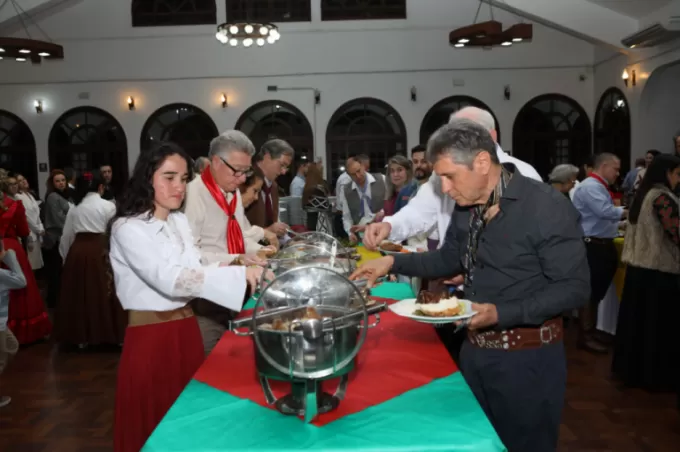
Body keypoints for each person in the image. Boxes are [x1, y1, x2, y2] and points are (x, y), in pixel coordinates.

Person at [350, 119, 589, 451]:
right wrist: (391, 262)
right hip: (474, 353)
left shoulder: (545, 206)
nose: (446, 189)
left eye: (450, 176)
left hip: (526, 362)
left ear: (481, 162)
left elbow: (574, 288)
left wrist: (500, 313)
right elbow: (450, 258)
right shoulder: (468, 205)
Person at [109, 142, 270, 452]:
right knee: (156, 422)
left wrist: (241, 265)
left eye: (183, 179)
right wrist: (239, 276)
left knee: (191, 420)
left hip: (186, 329)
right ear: (147, 177)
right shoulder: (128, 228)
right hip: (152, 335)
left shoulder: (178, 222)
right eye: (169, 177)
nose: (179, 187)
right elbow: (171, 280)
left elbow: (196, 267)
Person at [184, 131, 272, 355]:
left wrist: (263, 250)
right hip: (206, 298)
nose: (242, 179)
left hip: (234, 288)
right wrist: (236, 259)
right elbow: (190, 255)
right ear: (216, 161)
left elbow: (240, 235)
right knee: (211, 359)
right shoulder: (193, 194)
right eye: (237, 171)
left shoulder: (232, 194)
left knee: (236, 353)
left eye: (246, 171)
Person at [612, 154, 680, 392]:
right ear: (666, 173)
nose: (678, 179)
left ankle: (632, 372)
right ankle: (654, 376)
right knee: (656, 328)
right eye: (677, 174)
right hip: (658, 271)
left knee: (638, 325)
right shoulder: (662, 197)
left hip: (639, 270)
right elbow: (676, 232)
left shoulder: (643, 195)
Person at [54, 171, 123, 347]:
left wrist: (66, 259)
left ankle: (81, 337)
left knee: (80, 295)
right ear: (101, 187)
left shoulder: (75, 209)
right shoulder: (108, 206)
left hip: (78, 252)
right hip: (101, 251)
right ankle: (108, 335)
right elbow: (117, 232)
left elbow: (66, 237)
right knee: (103, 292)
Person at [572, 153, 627, 353]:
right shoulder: (591, 187)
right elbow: (605, 211)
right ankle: (585, 336)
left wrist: (619, 223)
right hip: (592, 245)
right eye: (616, 169)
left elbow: (600, 218)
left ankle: (591, 331)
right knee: (590, 291)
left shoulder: (597, 186)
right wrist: (628, 211)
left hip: (599, 243)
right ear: (603, 166)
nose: (618, 174)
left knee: (596, 291)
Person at [0, 170, 51, 345]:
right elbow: (23, 230)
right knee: (21, 287)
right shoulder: (15, 205)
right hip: (10, 247)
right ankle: (21, 331)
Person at [246, 139, 293, 236]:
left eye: (286, 167)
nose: (283, 172)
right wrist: (267, 231)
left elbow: (274, 223)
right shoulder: (244, 181)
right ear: (267, 157)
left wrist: (288, 240)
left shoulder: (273, 186)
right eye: (282, 165)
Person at [0, 241, 26, 408]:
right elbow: (21, 281)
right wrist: (9, 257)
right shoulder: (2, 275)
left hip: (2, 323)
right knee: (1, 359)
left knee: (12, 346)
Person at [43, 169, 72, 308]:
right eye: (57, 181)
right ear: (52, 183)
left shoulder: (66, 195)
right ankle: (54, 302)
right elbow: (58, 219)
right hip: (55, 239)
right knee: (55, 272)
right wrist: (73, 222)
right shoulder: (53, 196)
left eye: (63, 180)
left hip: (63, 237)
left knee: (61, 271)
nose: (61, 183)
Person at [342, 156, 387, 243]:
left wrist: (380, 214)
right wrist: (350, 233)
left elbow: (391, 205)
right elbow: (347, 217)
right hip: (361, 237)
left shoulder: (382, 179)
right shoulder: (346, 190)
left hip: (383, 232)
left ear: (363, 166)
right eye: (353, 174)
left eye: (359, 171)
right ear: (349, 175)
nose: (358, 176)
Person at [14, 173, 44, 270]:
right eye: (20, 181)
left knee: (37, 263)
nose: (23, 181)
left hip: (37, 231)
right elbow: (27, 216)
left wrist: (41, 227)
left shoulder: (30, 195)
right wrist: (38, 229)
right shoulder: (18, 196)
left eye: (24, 179)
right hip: (30, 232)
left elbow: (37, 213)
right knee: (31, 264)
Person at [302, 163, 330, 232]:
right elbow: (327, 201)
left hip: (310, 220)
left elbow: (304, 205)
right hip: (322, 219)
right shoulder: (323, 185)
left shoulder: (307, 187)